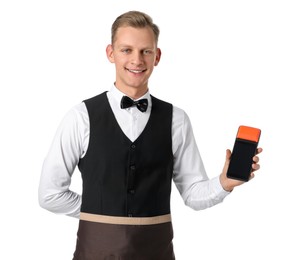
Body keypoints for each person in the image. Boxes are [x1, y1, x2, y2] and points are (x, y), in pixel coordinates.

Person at [38, 10, 262, 260]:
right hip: (95, 253)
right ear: (110, 53)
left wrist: (224, 182)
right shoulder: (80, 117)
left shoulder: (177, 119)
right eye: (126, 50)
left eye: (146, 51)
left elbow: (193, 195)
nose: (137, 60)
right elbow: (49, 195)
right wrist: (100, 211)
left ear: (157, 56)